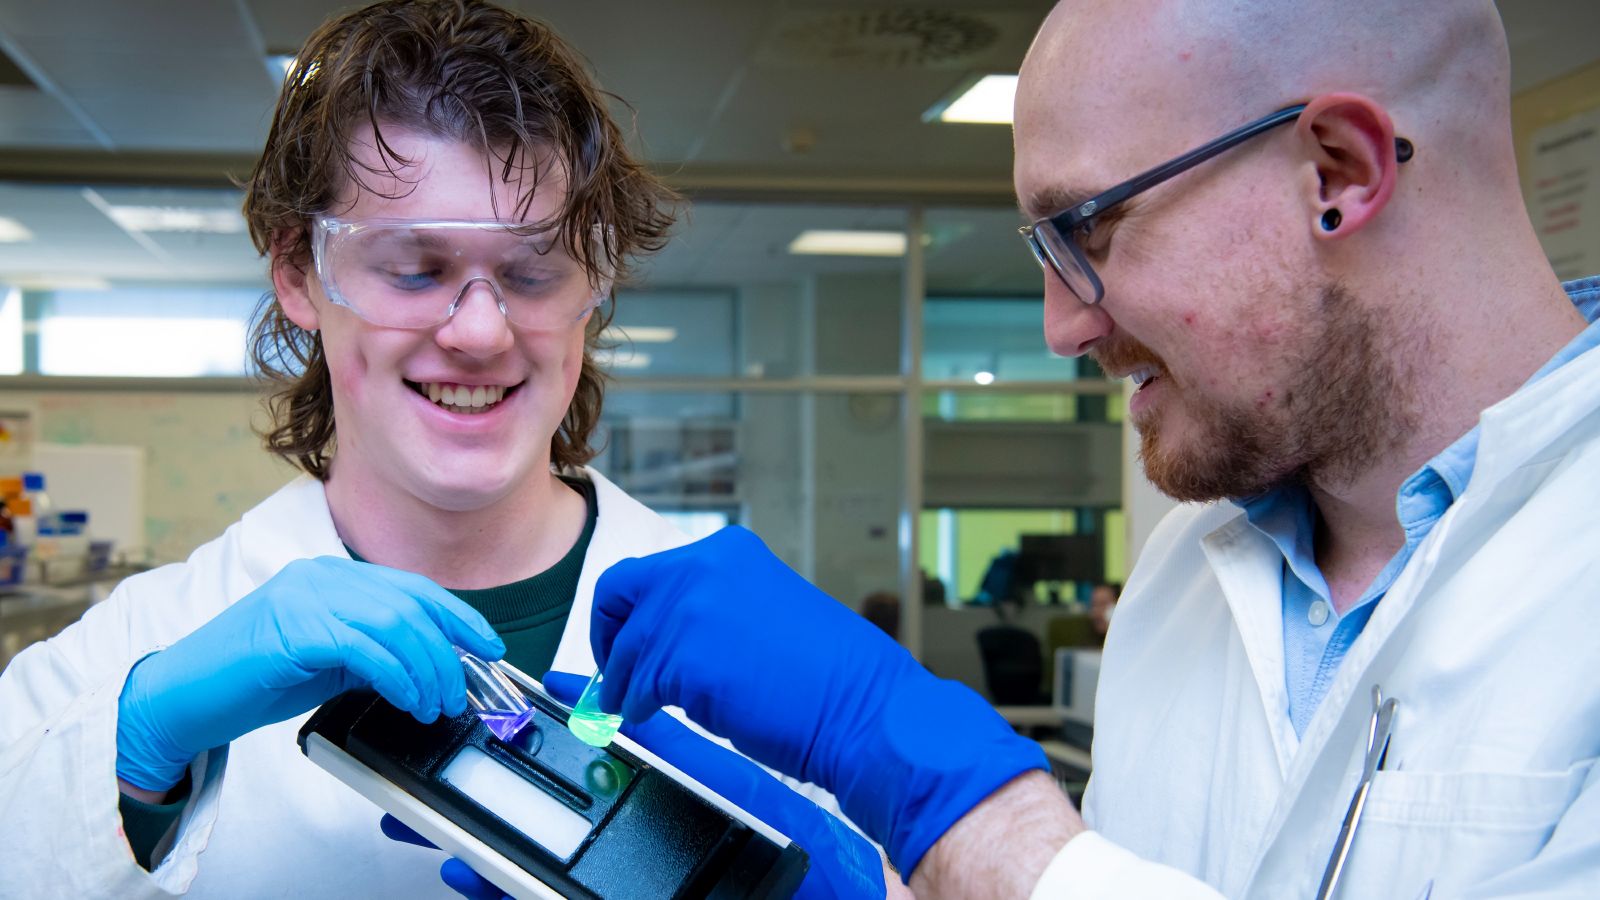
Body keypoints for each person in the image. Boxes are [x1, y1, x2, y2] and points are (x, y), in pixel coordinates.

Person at [552, 1, 1600, 898]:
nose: (1062, 327)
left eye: (1085, 232)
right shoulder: (1185, 574)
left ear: (1335, 170)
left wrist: (964, 807)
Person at [0, 2, 890, 897]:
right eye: (414, 268)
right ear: (299, 274)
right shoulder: (136, 651)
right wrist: (136, 755)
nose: (477, 331)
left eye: (533, 270)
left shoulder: (761, 648)